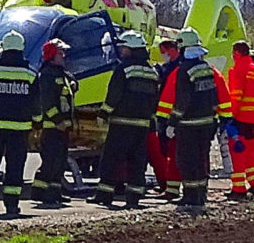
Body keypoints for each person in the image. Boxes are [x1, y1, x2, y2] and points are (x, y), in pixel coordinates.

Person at [155, 27, 232, 211]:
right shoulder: (207, 69)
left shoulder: (184, 71)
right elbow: (214, 96)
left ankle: (190, 197)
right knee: (200, 160)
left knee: (186, 161)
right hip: (207, 124)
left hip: (188, 125)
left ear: (182, 48)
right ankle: (200, 195)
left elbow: (182, 100)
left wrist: (172, 123)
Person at [87, 30, 159, 209]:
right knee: (137, 161)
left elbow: (114, 94)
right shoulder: (152, 72)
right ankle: (133, 198)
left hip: (121, 122)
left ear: (132, 49)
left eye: (124, 47)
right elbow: (154, 100)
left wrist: (103, 113)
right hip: (142, 125)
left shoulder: (124, 68)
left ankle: (104, 194)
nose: (121, 50)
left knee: (111, 159)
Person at [0, 30, 42, 217]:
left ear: (3, 49)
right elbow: (36, 104)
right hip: (19, 130)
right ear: (21, 49)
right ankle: (11, 206)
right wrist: (37, 124)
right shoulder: (30, 75)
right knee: (15, 167)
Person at [31, 38, 77, 208]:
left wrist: (73, 83)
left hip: (62, 128)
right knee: (50, 162)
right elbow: (47, 103)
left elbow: (71, 86)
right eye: (60, 53)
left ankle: (54, 193)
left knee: (60, 162)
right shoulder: (47, 76)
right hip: (52, 128)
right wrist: (57, 121)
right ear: (51, 55)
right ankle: (40, 193)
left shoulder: (62, 74)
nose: (63, 55)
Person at [226, 41, 254, 200]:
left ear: (236, 53)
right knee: (250, 152)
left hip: (241, 117)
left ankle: (238, 188)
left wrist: (230, 116)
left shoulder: (237, 70)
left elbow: (236, 96)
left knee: (237, 152)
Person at [154, 39, 182, 201]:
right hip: (166, 115)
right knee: (166, 150)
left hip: (172, 116)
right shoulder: (170, 67)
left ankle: (172, 187)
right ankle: (168, 184)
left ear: (170, 50)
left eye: (163, 52)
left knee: (173, 151)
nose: (162, 55)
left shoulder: (177, 68)